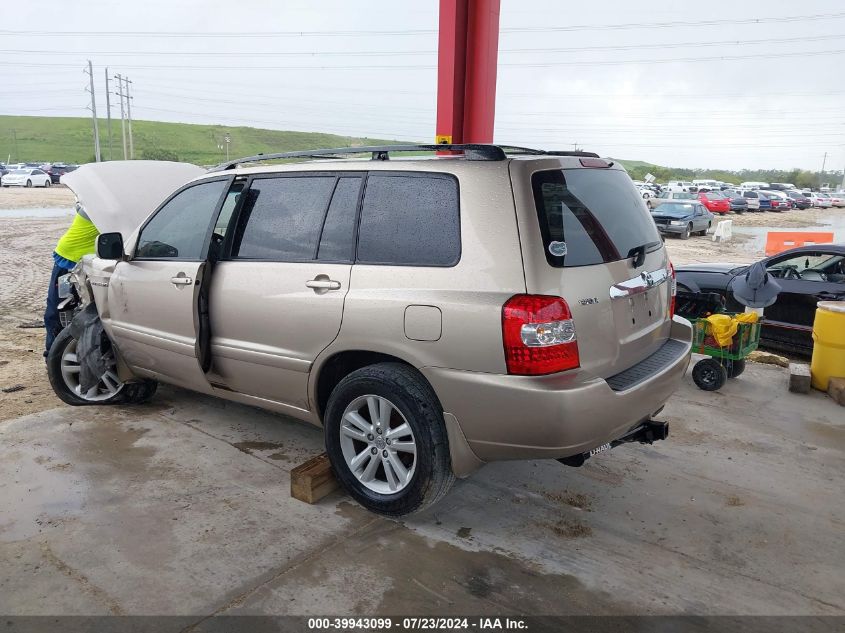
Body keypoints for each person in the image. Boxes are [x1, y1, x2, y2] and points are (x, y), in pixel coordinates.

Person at [44, 202, 99, 357]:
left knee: (72, 313)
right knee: (59, 313)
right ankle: (54, 357)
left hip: (89, 264)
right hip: (70, 263)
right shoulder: (103, 202)